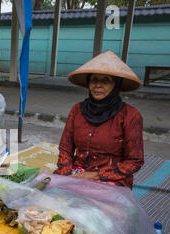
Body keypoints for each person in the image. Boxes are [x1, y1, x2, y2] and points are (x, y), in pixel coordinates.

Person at [54, 50, 144, 189]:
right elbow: (65, 149)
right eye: (94, 79)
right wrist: (66, 174)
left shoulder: (130, 115)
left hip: (111, 178)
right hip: (76, 173)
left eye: (106, 80)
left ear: (116, 85)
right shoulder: (77, 110)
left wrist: (95, 176)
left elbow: (134, 161)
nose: (98, 85)